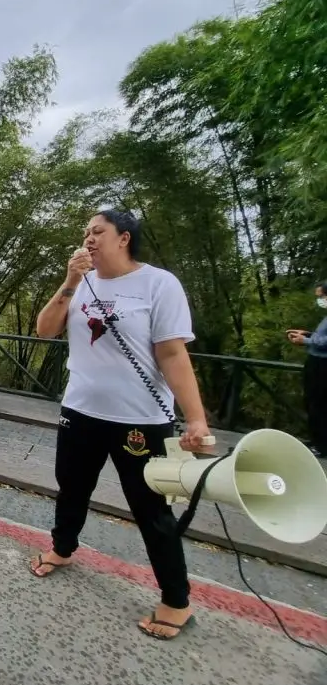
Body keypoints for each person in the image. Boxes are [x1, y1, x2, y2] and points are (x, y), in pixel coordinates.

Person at [30, 209, 212, 641]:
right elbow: (44, 330)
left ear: (124, 238)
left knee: (151, 508)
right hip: (80, 410)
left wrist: (196, 418)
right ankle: (63, 548)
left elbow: (172, 354)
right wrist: (70, 281)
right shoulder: (81, 282)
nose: (88, 238)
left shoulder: (158, 284)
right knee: (72, 488)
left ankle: (176, 600)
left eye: (98, 231)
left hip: (140, 420)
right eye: (85, 233)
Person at [286, 281, 327, 458]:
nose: (320, 300)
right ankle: (317, 440)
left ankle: (322, 446)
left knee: (319, 404)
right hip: (316, 362)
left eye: (322, 296)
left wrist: (306, 341)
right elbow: (322, 336)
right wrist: (307, 334)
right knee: (312, 402)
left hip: (323, 365)